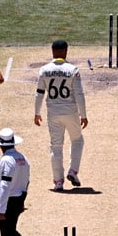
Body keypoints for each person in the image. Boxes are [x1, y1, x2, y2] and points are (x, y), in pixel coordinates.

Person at [34, 40, 88, 191]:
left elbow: (39, 94)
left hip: (53, 112)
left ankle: (58, 182)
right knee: (77, 140)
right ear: (65, 51)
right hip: (70, 111)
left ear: (52, 51)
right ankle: (73, 171)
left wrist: (37, 112)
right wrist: (83, 114)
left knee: (56, 146)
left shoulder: (44, 70)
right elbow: (79, 94)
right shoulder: (73, 69)